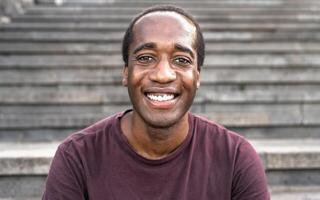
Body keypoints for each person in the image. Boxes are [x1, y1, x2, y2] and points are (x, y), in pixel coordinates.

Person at [42, 5, 270, 200]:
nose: (163, 75)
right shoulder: (77, 157)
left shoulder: (236, 159)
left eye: (181, 60)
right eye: (145, 58)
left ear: (197, 77)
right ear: (125, 73)